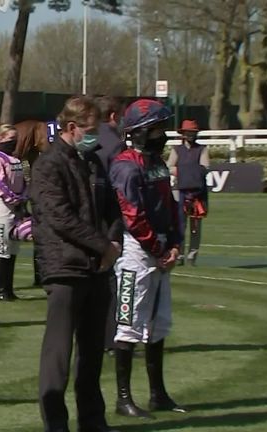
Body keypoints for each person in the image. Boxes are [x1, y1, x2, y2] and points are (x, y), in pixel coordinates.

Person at [32, 96, 123, 432]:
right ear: (72, 127)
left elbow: (113, 208)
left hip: (97, 268)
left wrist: (112, 241)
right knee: (58, 352)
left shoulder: (94, 163)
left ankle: (93, 420)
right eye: (90, 128)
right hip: (65, 267)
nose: (95, 135)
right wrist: (103, 246)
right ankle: (56, 423)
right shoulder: (48, 165)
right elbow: (60, 217)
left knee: (92, 352)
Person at [109, 99, 186, 418]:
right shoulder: (126, 165)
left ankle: (158, 394)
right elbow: (133, 215)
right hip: (136, 254)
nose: (162, 134)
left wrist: (176, 243)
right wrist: (159, 250)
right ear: (139, 132)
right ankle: (123, 398)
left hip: (161, 250)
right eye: (156, 128)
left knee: (158, 324)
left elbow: (170, 203)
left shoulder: (156, 161)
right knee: (128, 324)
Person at [94, 96, 127, 354]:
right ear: (114, 116)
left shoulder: (91, 139)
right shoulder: (116, 144)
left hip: (86, 220)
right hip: (109, 220)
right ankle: (110, 337)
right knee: (111, 281)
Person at [0, 124, 26, 301]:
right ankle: (0, 290)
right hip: (1, 206)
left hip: (16, 207)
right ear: (1, 138)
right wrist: (14, 198)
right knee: (1, 248)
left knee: (13, 249)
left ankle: (9, 288)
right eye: (10, 139)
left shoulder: (15, 159)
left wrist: (23, 197)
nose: (13, 142)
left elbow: (23, 182)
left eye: (15, 139)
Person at [167, 119, 210, 266]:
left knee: (195, 227)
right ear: (183, 134)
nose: (191, 135)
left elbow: (205, 168)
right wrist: (188, 172)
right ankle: (179, 254)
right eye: (188, 133)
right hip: (180, 191)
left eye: (193, 133)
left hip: (198, 193)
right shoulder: (176, 149)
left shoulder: (202, 149)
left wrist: (185, 172)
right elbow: (169, 167)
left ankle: (192, 256)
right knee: (180, 225)